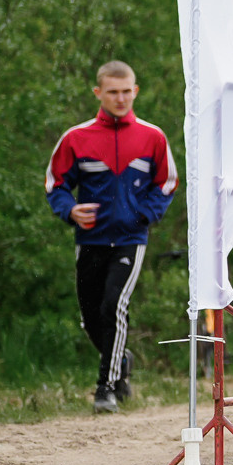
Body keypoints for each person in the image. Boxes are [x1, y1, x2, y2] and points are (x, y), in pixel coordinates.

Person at [46, 60, 177, 413]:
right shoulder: (76, 138)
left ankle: (105, 389)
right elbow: (56, 184)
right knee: (91, 318)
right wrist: (70, 210)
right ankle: (121, 361)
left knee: (113, 306)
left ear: (135, 91)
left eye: (126, 91)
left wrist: (144, 215)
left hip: (131, 239)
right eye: (113, 92)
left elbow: (166, 183)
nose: (120, 98)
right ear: (98, 93)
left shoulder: (152, 137)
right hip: (90, 240)